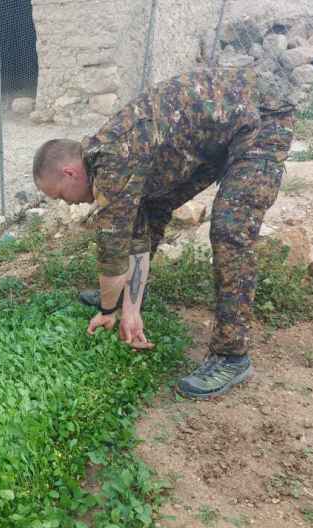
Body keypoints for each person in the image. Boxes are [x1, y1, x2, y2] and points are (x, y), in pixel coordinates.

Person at [32, 67, 295, 399]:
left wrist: (109, 310)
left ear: (70, 173)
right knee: (152, 205)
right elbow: (138, 226)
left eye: (59, 195)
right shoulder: (105, 156)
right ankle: (135, 295)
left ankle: (232, 354)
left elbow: (111, 255)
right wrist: (130, 308)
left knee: (230, 227)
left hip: (262, 119)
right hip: (217, 131)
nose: (67, 204)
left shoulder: (114, 161)